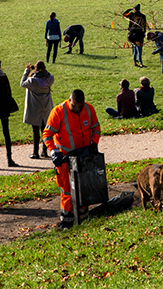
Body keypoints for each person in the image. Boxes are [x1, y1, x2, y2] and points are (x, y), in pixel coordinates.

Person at [43, 88, 102, 227]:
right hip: (65, 157)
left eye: (80, 106)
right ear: (70, 100)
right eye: (75, 106)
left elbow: (96, 128)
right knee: (67, 189)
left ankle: (82, 216)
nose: (78, 109)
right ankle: (67, 220)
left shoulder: (88, 109)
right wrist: (53, 151)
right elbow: (47, 135)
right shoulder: (58, 112)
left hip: (84, 156)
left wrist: (94, 143)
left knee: (84, 186)